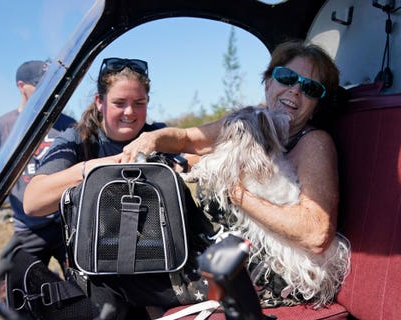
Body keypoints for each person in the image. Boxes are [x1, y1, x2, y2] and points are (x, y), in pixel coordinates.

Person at [119, 39, 343, 308]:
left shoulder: (314, 143)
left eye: (309, 88)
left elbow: (316, 234)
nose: (295, 90)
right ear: (268, 82)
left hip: (274, 276)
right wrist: (150, 139)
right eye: (286, 77)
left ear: (317, 105)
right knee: (125, 268)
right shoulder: (249, 121)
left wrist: (236, 193)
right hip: (231, 253)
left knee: (122, 281)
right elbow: (189, 137)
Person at [24, 57, 212, 319]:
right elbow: (33, 202)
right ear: (99, 102)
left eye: (139, 103)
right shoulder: (77, 142)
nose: (130, 112)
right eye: (119, 103)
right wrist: (98, 168)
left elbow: (201, 152)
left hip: (161, 270)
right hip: (99, 275)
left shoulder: (157, 136)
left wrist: (177, 162)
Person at [0, 60, 76, 271]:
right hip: (27, 228)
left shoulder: (66, 124)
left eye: (50, 84)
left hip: (66, 224)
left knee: (80, 287)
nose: (47, 91)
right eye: (39, 85)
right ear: (21, 86)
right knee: (26, 293)